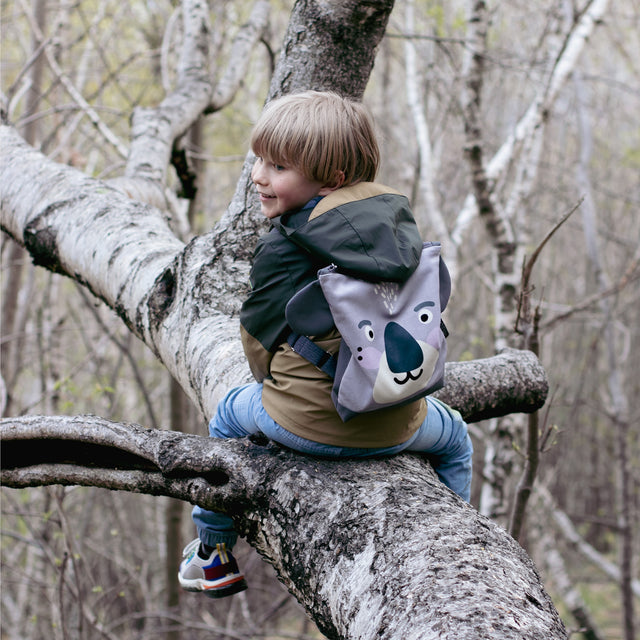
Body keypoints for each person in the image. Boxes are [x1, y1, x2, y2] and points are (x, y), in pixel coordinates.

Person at [178, 91, 473, 599]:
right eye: (260, 160)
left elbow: (256, 343)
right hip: (402, 420)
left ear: (331, 178)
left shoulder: (284, 245)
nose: (259, 176)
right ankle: (461, 536)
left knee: (226, 416)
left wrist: (281, 385)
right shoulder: (397, 228)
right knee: (456, 438)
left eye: (279, 166)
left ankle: (212, 552)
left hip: (306, 426)